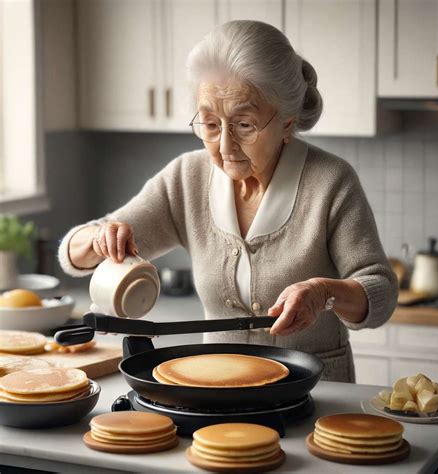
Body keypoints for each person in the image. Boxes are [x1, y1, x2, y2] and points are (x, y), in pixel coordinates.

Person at [58, 20, 398, 382]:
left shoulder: (330, 182)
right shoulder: (187, 177)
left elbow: (381, 292)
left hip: (315, 394)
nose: (223, 147)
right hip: (218, 391)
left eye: (244, 125)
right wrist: (98, 240)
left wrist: (324, 292)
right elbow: (75, 251)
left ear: (286, 122)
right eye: (209, 124)